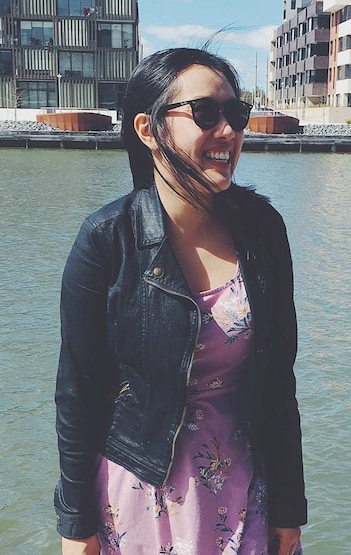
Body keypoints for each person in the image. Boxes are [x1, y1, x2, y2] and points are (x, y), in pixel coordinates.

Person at [53, 47, 306, 555]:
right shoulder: (107, 239)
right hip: (143, 492)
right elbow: (78, 392)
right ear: (149, 130)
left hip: (246, 486)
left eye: (237, 115)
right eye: (205, 114)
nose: (229, 132)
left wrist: (289, 507)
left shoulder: (263, 231)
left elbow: (279, 382)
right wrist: (75, 525)